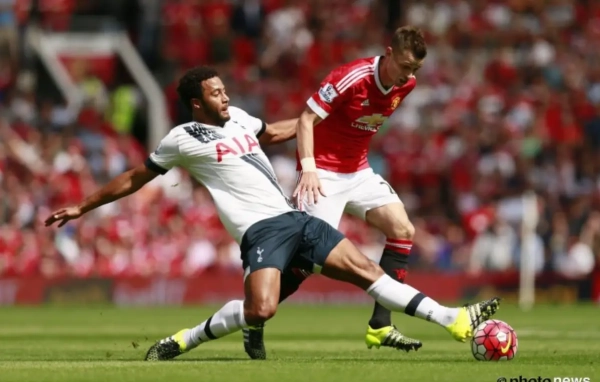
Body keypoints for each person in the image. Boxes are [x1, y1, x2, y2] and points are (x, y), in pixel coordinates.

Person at [44, 66, 500, 362]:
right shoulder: (181, 138)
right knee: (260, 308)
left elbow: (280, 131)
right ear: (197, 103)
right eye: (216, 93)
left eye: (225, 90)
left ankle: (454, 320)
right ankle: (184, 339)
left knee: (367, 271)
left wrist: (323, 121)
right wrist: (83, 206)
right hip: (260, 232)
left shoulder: (241, 119)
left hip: (295, 218)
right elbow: (135, 177)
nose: (225, 97)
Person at [243, 26, 431, 359]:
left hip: (359, 171)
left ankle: (381, 325)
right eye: (404, 65)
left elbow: (359, 126)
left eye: (414, 68)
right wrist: (309, 168)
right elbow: (305, 120)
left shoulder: (408, 84)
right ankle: (253, 317)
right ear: (388, 53)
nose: (408, 74)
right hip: (322, 174)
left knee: (403, 229)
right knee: (308, 260)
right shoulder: (351, 77)